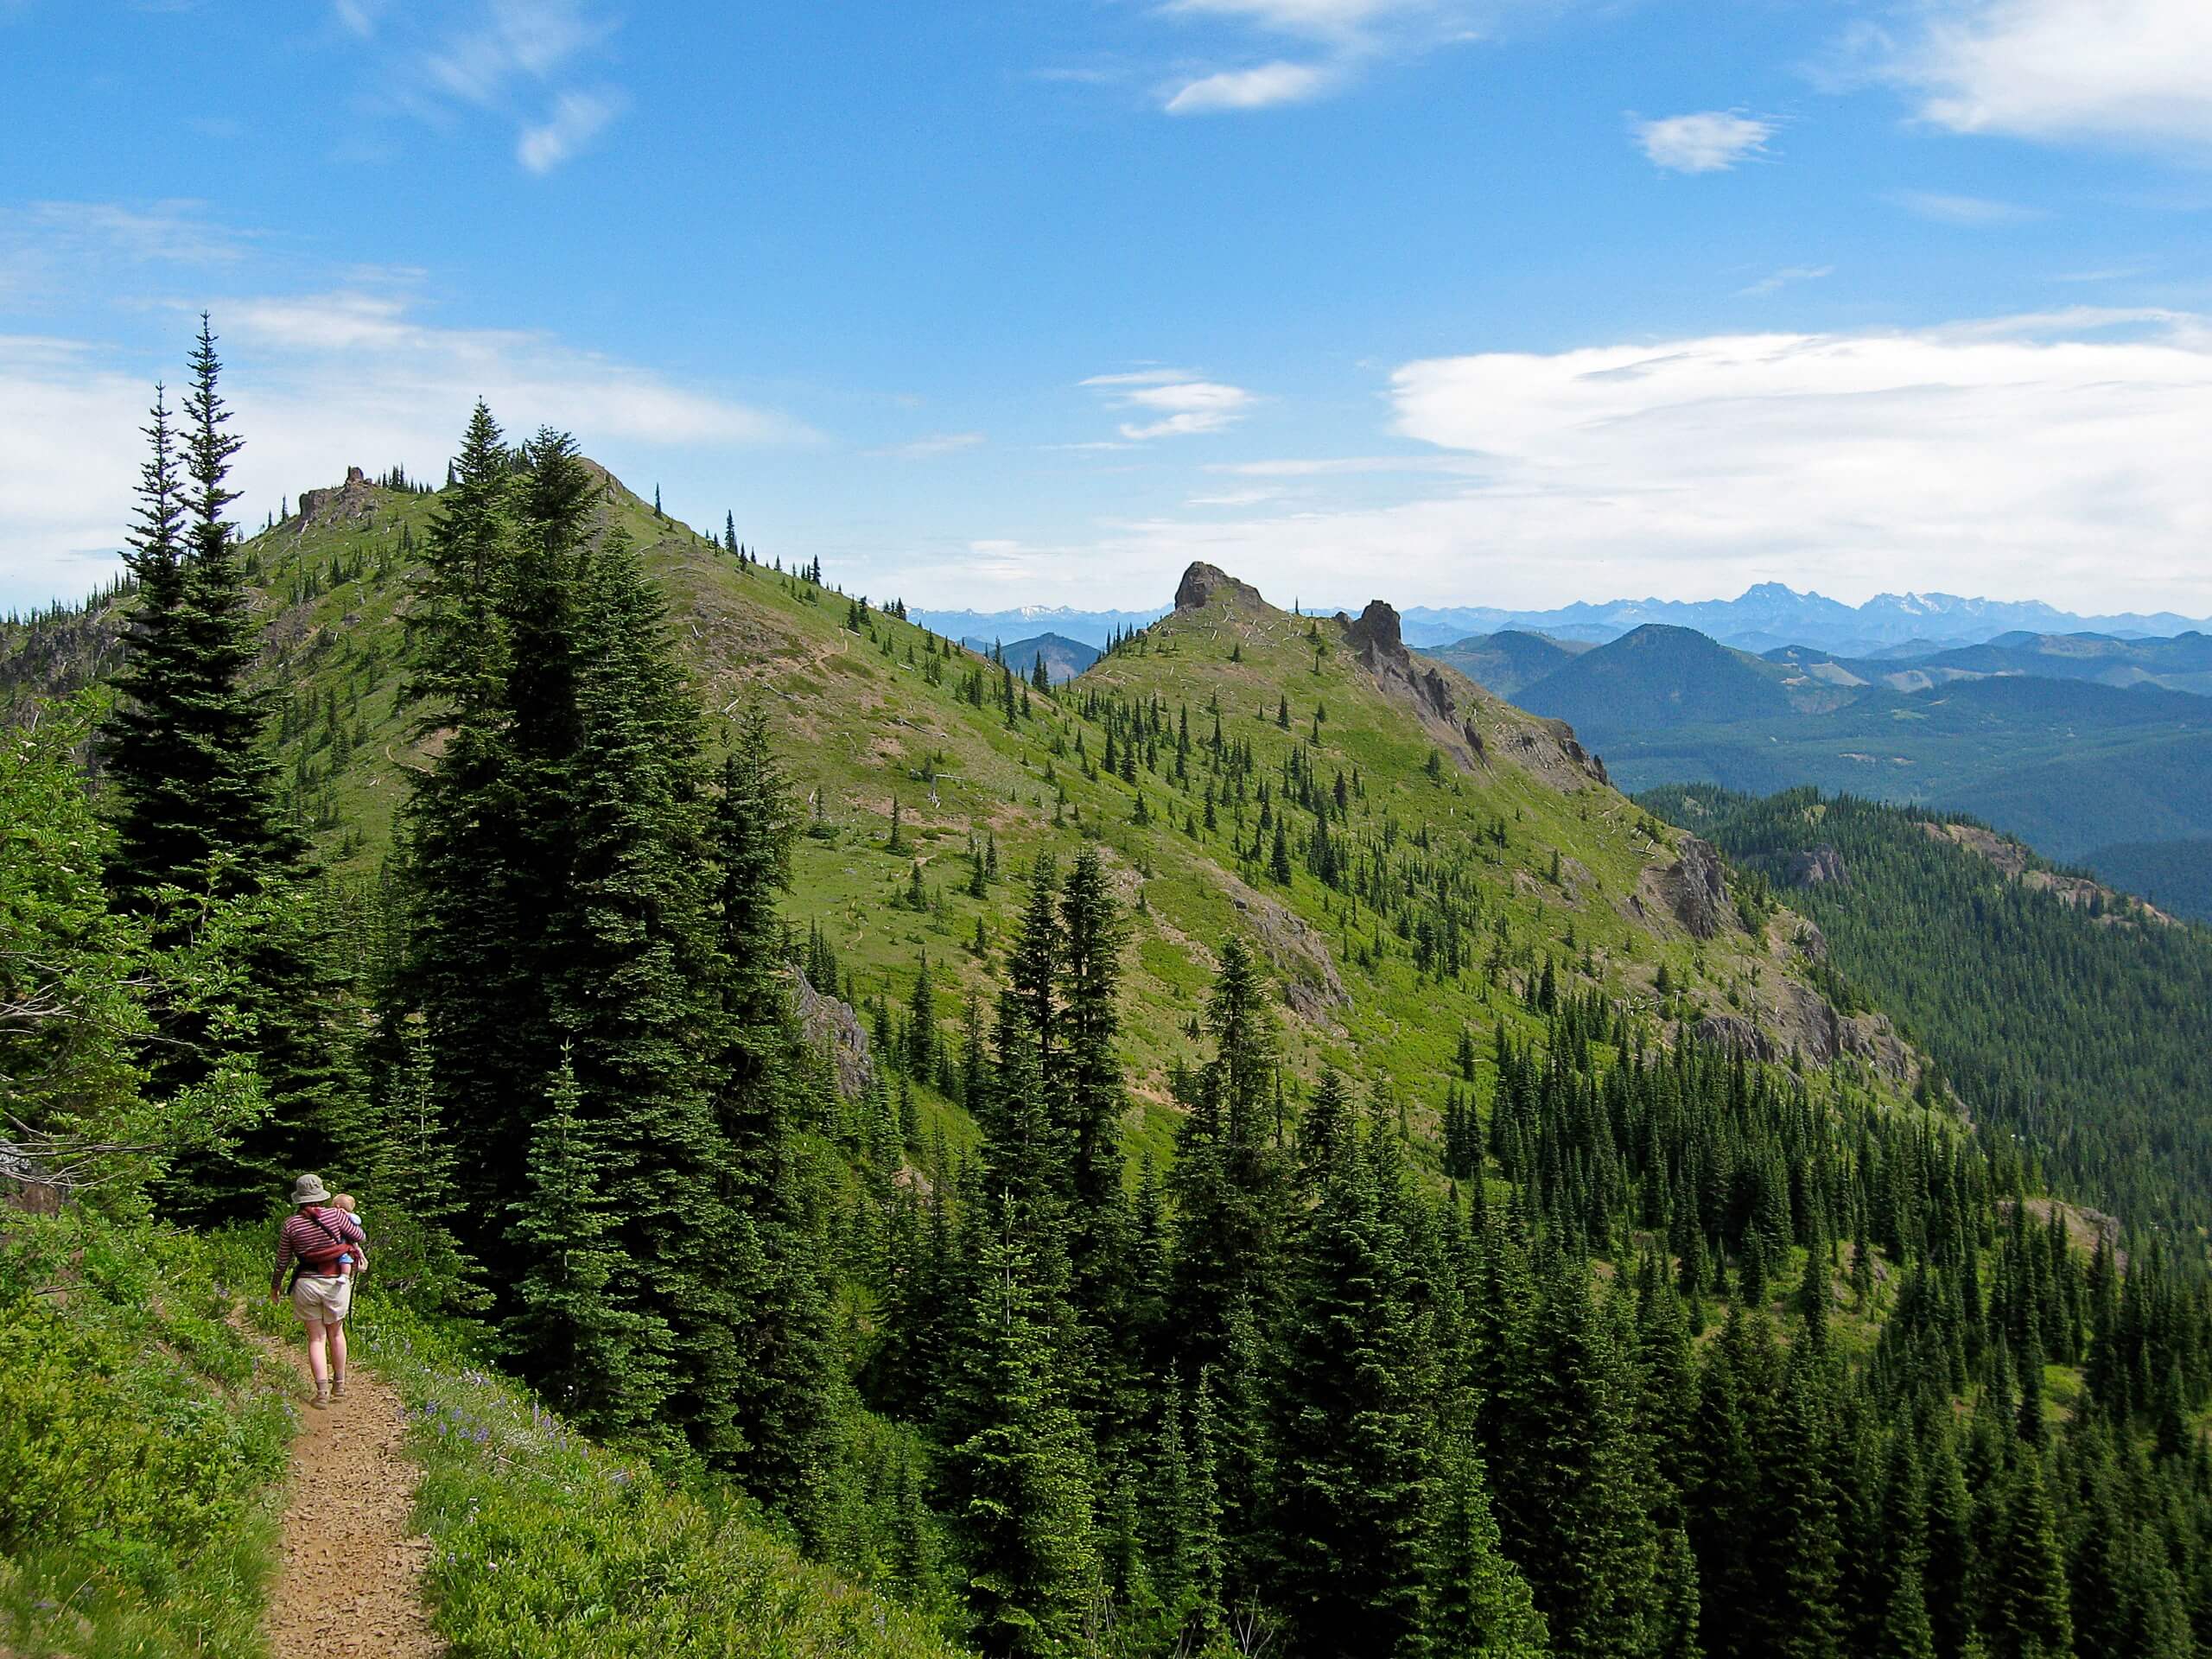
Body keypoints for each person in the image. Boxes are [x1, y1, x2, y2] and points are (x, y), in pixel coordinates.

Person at [270, 1173, 367, 1408]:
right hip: (336, 1281)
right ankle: (340, 1385)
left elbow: (283, 1260)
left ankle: (321, 1391)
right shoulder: (336, 1215)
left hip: (306, 1283)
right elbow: (359, 1236)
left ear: (299, 1198)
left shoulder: (291, 1224)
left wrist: (276, 1286)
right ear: (321, 1195)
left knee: (315, 1338)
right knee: (336, 1333)